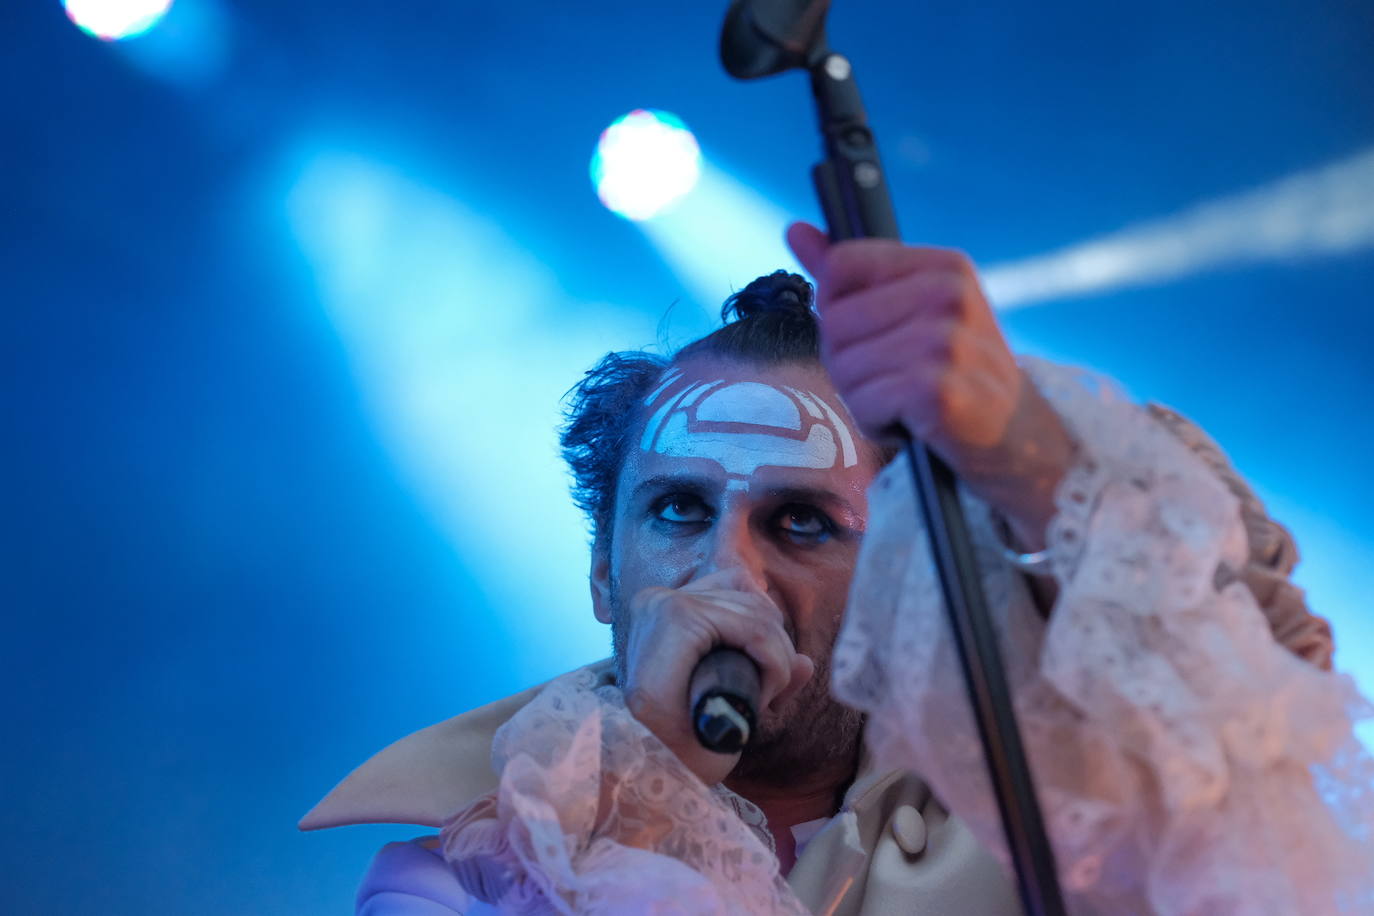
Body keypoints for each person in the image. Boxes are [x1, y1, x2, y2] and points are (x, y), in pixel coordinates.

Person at [301, 224, 1371, 914]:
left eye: (802, 522)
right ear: (599, 570)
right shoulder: (456, 881)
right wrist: (647, 786)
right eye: (677, 508)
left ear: (904, 573)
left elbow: (1271, 705)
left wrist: (1028, 452)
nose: (729, 572)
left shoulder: (1038, 808)